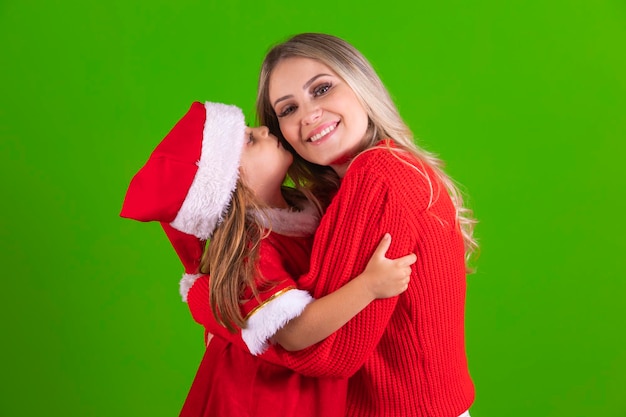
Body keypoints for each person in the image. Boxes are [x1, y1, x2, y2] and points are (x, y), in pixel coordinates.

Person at [119, 101, 416, 417]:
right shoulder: (253, 248)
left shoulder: (306, 206)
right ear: (229, 185)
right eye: (249, 139)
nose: (264, 129)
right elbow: (293, 333)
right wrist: (369, 287)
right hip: (262, 398)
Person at [251, 33, 479, 417]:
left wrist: (239, 327)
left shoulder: (378, 174)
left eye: (322, 89)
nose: (308, 115)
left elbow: (324, 353)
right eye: (287, 109)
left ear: (361, 85)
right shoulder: (369, 179)